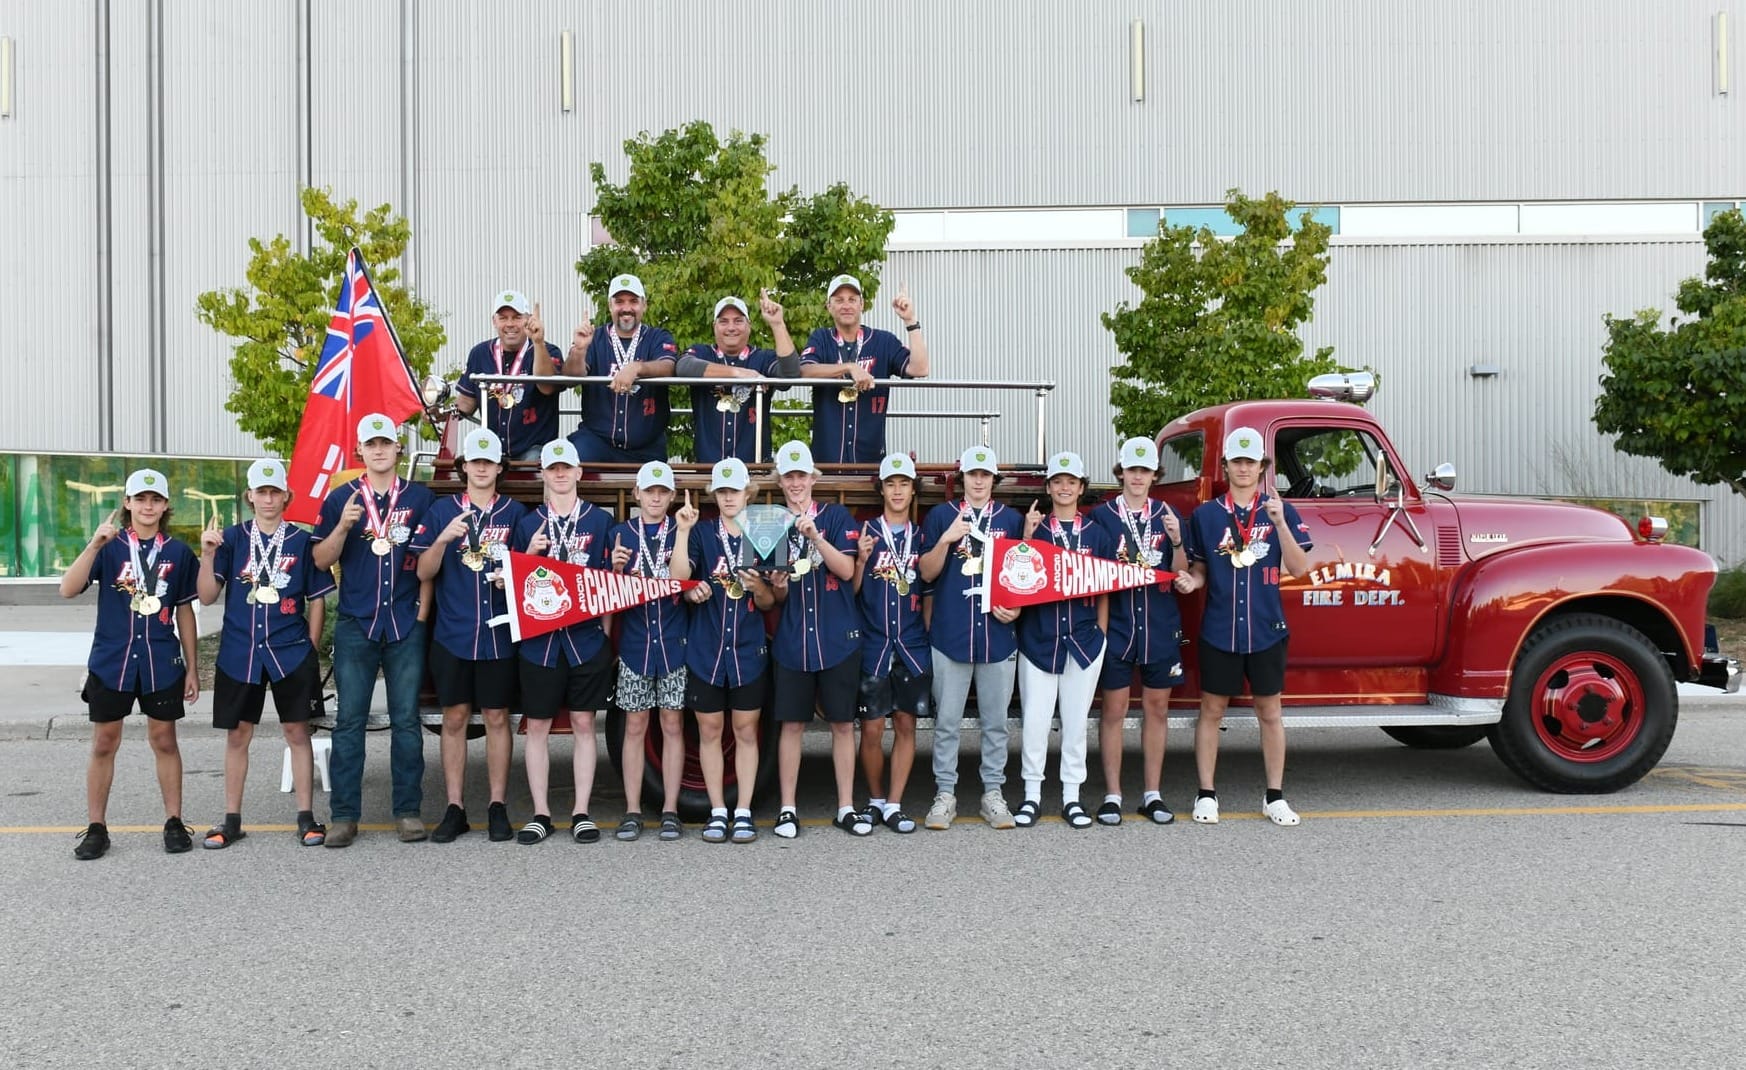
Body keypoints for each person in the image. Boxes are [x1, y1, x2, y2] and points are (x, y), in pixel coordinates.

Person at [60, 468, 200, 860]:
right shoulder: (109, 546)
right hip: (112, 660)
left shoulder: (177, 553)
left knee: (164, 740)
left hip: (160, 660)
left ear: (166, 505)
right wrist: (92, 545)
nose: (148, 506)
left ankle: (174, 821)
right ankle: (96, 828)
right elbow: (67, 589)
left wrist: (191, 667)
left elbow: (185, 612)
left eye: (155, 499)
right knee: (105, 742)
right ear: (127, 503)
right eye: (140, 499)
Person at [196, 458, 335, 849]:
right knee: (238, 735)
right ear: (250, 496)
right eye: (262, 491)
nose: (269, 498)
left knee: (297, 731)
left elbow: (319, 598)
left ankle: (307, 817)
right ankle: (231, 819)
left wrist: (310, 644)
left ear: (287, 496)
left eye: (276, 491)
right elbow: (207, 596)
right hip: (240, 652)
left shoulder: (303, 541)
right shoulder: (231, 540)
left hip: (289, 651)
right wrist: (206, 555)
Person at [1179, 426, 1313, 827]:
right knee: (1211, 710)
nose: (1242, 468)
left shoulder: (1279, 510)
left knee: (1270, 711)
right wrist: (1192, 581)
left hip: (1266, 627)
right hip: (1220, 628)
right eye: (1236, 461)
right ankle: (1206, 793)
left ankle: (1275, 796)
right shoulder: (1205, 515)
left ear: (1261, 468)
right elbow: (1201, 568)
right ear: (1225, 466)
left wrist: (1280, 523)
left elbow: (1299, 567)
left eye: (1249, 462)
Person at [312, 413, 436, 848]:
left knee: (406, 721)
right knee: (349, 722)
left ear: (398, 448)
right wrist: (344, 525)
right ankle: (344, 816)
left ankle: (408, 811)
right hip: (356, 623)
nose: (379, 450)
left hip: (404, 622)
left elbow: (428, 564)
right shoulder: (339, 499)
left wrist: (421, 614)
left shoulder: (420, 498)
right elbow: (320, 561)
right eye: (371, 444)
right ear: (359, 451)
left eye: (387, 443)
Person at [412, 427, 528, 843]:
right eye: (474, 462)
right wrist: (442, 540)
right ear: (463, 468)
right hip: (453, 633)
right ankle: (455, 807)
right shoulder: (442, 512)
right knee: (455, 718)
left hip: (497, 634)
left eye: (488, 462)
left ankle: (497, 805)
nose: (481, 468)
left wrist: (509, 578)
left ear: (499, 467)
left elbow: (530, 571)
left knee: (498, 718)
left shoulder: (515, 514)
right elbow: (423, 571)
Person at [511, 439, 616, 845]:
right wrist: (529, 554)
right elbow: (514, 587)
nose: (558, 474)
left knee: (583, 722)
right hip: (540, 641)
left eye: (565, 468)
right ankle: (540, 813)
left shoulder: (599, 522)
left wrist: (605, 636)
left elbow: (608, 582)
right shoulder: (527, 523)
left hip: (585, 640)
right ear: (543, 474)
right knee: (536, 725)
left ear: (577, 473)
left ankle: (581, 812)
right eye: (551, 468)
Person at [671, 460, 778, 844]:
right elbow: (678, 578)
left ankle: (744, 810)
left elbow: (770, 602)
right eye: (722, 491)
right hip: (707, 647)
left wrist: (759, 588)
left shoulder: (765, 529)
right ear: (714, 495)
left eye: (735, 490)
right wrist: (682, 534)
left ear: (748, 492)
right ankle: (718, 811)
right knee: (710, 730)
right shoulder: (700, 531)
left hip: (748, 649)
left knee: (746, 731)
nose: (729, 497)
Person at [767, 441, 870, 839]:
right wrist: (776, 584)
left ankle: (846, 806)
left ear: (813, 479)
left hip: (836, 637)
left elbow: (846, 570)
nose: (795, 483)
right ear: (780, 481)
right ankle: (788, 808)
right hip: (793, 640)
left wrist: (815, 537)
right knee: (791, 725)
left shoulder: (835, 514)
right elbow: (777, 596)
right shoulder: (770, 522)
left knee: (843, 725)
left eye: (801, 475)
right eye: (788, 476)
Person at [917, 445, 1022, 831]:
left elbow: (1021, 576)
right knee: (947, 721)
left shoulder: (1010, 519)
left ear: (994, 480)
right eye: (972, 474)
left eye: (985, 474)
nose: (978, 480)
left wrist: (1019, 609)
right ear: (962, 478)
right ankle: (945, 793)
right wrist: (945, 540)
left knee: (996, 722)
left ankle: (992, 793)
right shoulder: (941, 516)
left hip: (997, 634)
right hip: (951, 632)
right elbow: (926, 574)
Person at [1089, 436, 1192, 826]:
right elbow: (1094, 576)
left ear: (1154, 475)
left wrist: (1178, 538)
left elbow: (1182, 567)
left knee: (1157, 709)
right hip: (1118, 625)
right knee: (1113, 711)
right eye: (1131, 470)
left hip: (1159, 622)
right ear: (1121, 473)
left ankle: (1152, 793)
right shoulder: (1103, 516)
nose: (1137, 477)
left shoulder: (1168, 513)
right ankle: (1112, 794)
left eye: (1144, 470)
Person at [1014, 452, 1111, 830]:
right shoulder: (1035, 529)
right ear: (1049, 487)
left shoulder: (1097, 534)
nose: (1065, 487)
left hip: (1085, 641)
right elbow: (1016, 577)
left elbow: (1107, 586)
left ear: (1082, 487)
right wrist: (1025, 536)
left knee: (1075, 724)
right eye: (1058, 481)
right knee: (1035, 723)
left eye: (1072, 481)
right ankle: (1032, 797)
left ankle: (1072, 797)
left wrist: (1101, 633)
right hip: (1039, 639)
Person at [607, 461, 690, 841]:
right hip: (636, 644)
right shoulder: (620, 533)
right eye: (649, 490)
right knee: (636, 727)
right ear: (637, 494)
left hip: (673, 642)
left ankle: (671, 809)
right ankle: (632, 809)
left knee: (672, 725)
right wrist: (617, 571)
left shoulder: (684, 530)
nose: (656, 497)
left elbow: (684, 580)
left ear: (672, 496)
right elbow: (606, 593)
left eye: (663, 491)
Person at [852, 453, 931, 834]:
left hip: (912, 647)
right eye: (890, 483)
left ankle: (895, 804)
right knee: (870, 728)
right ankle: (875, 799)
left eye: (904, 483)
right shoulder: (864, 533)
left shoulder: (922, 536)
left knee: (905, 723)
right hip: (874, 645)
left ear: (913, 489)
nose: (897, 490)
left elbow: (929, 591)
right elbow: (849, 590)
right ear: (881, 489)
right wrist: (861, 561)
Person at [799, 274, 930, 463]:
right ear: (829, 306)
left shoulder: (883, 341)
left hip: (871, 459)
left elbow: (920, 368)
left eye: (852, 299)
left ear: (862, 304)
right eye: (839, 300)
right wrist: (849, 367)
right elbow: (805, 370)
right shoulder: (821, 338)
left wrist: (910, 321)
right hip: (826, 459)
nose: (846, 305)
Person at [563, 273, 677, 464]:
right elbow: (571, 377)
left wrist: (636, 368)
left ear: (644, 305)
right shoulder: (595, 337)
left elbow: (668, 367)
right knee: (567, 464)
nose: (626, 308)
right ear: (610, 305)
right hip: (597, 441)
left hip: (646, 446)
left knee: (657, 488)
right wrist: (579, 350)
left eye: (633, 301)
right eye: (619, 301)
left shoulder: (658, 337)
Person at [676, 292, 801, 464]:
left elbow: (791, 374)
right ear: (714, 326)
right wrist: (740, 373)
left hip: (754, 467)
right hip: (708, 467)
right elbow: (683, 367)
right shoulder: (703, 353)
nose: (731, 327)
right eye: (724, 321)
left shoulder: (762, 357)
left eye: (738, 321)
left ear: (749, 326)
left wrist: (777, 324)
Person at [454, 290, 566, 462]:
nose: (510, 324)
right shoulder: (480, 353)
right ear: (494, 321)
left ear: (528, 320)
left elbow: (548, 387)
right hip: (491, 449)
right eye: (503, 318)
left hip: (534, 449)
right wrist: (440, 411)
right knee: (468, 467)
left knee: (533, 463)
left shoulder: (548, 350)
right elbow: (466, 403)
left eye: (517, 317)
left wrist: (538, 342)